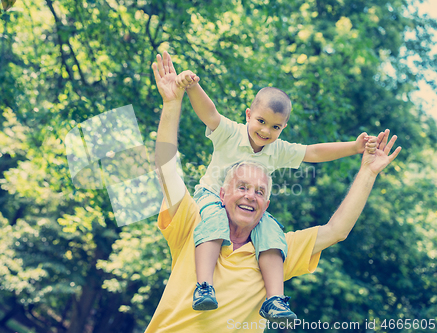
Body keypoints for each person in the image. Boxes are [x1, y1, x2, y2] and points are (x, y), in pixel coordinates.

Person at [147, 51, 400, 333]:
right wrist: (183, 94)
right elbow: (202, 123)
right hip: (207, 201)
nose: (266, 131)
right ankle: (203, 286)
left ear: (266, 203)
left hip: (260, 233)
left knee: (272, 236)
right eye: (242, 187)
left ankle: (275, 300)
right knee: (214, 223)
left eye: (259, 191)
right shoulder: (194, 223)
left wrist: (361, 161)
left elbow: (315, 161)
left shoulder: (273, 248)